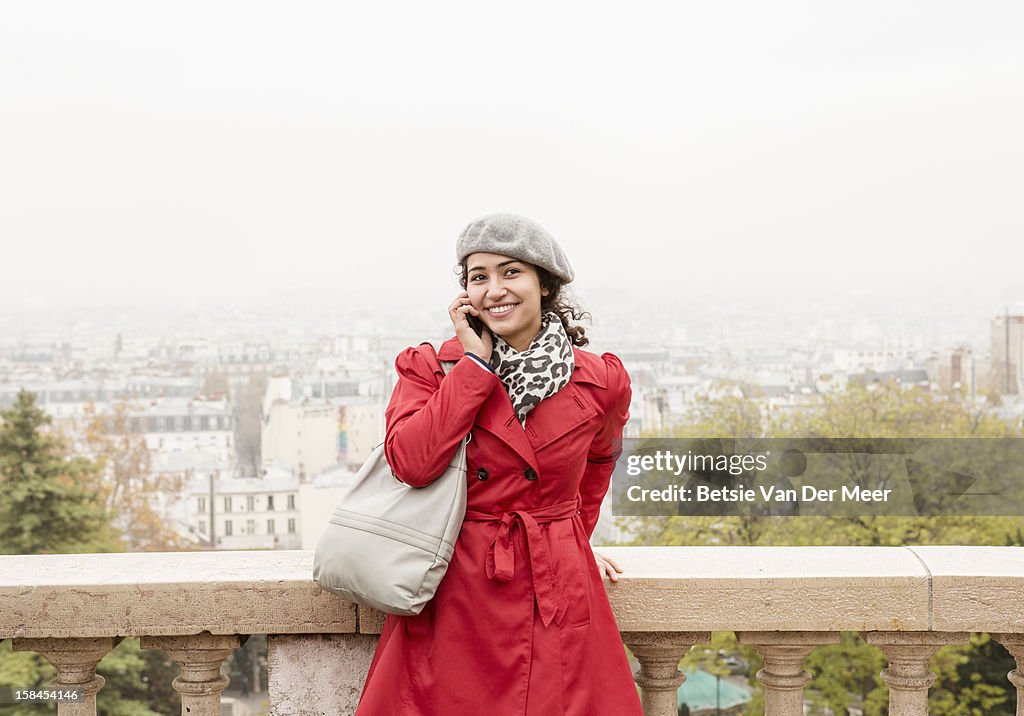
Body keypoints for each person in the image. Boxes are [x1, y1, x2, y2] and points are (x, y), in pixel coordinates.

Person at [356, 213, 643, 715]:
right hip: (457, 589)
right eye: (478, 276)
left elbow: (600, 464)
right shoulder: (431, 368)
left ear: (546, 285)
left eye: (511, 272)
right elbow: (411, 462)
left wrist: (572, 537)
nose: (494, 290)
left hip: (556, 591)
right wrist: (474, 368)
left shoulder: (601, 381)